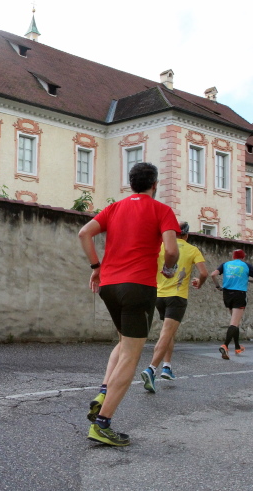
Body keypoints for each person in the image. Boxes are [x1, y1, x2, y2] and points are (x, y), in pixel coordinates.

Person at [78, 162, 179, 446]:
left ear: (131, 184)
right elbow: (171, 250)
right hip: (138, 287)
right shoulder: (162, 210)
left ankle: (103, 393)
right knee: (132, 356)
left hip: (109, 286)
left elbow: (84, 233)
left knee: (124, 343)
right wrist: (169, 269)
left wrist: (96, 267)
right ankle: (102, 425)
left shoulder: (114, 208)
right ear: (155, 184)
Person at [141, 222, 208, 392]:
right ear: (186, 235)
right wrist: (199, 282)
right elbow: (204, 273)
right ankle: (151, 369)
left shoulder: (161, 247)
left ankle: (167, 367)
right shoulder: (192, 250)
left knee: (169, 332)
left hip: (159, 296)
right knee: (166, 333)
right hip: (177, 297)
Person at [210, 249, 253, 359]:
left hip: (226, 294)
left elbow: (213, 274)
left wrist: (218, 286)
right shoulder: (247, 265)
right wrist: (249, 280)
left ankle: (237, 347)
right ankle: (225, 345)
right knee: (234, 323)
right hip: (239, 294)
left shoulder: (225, 264)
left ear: (233, 256)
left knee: (235, 322)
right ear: (243, 257)